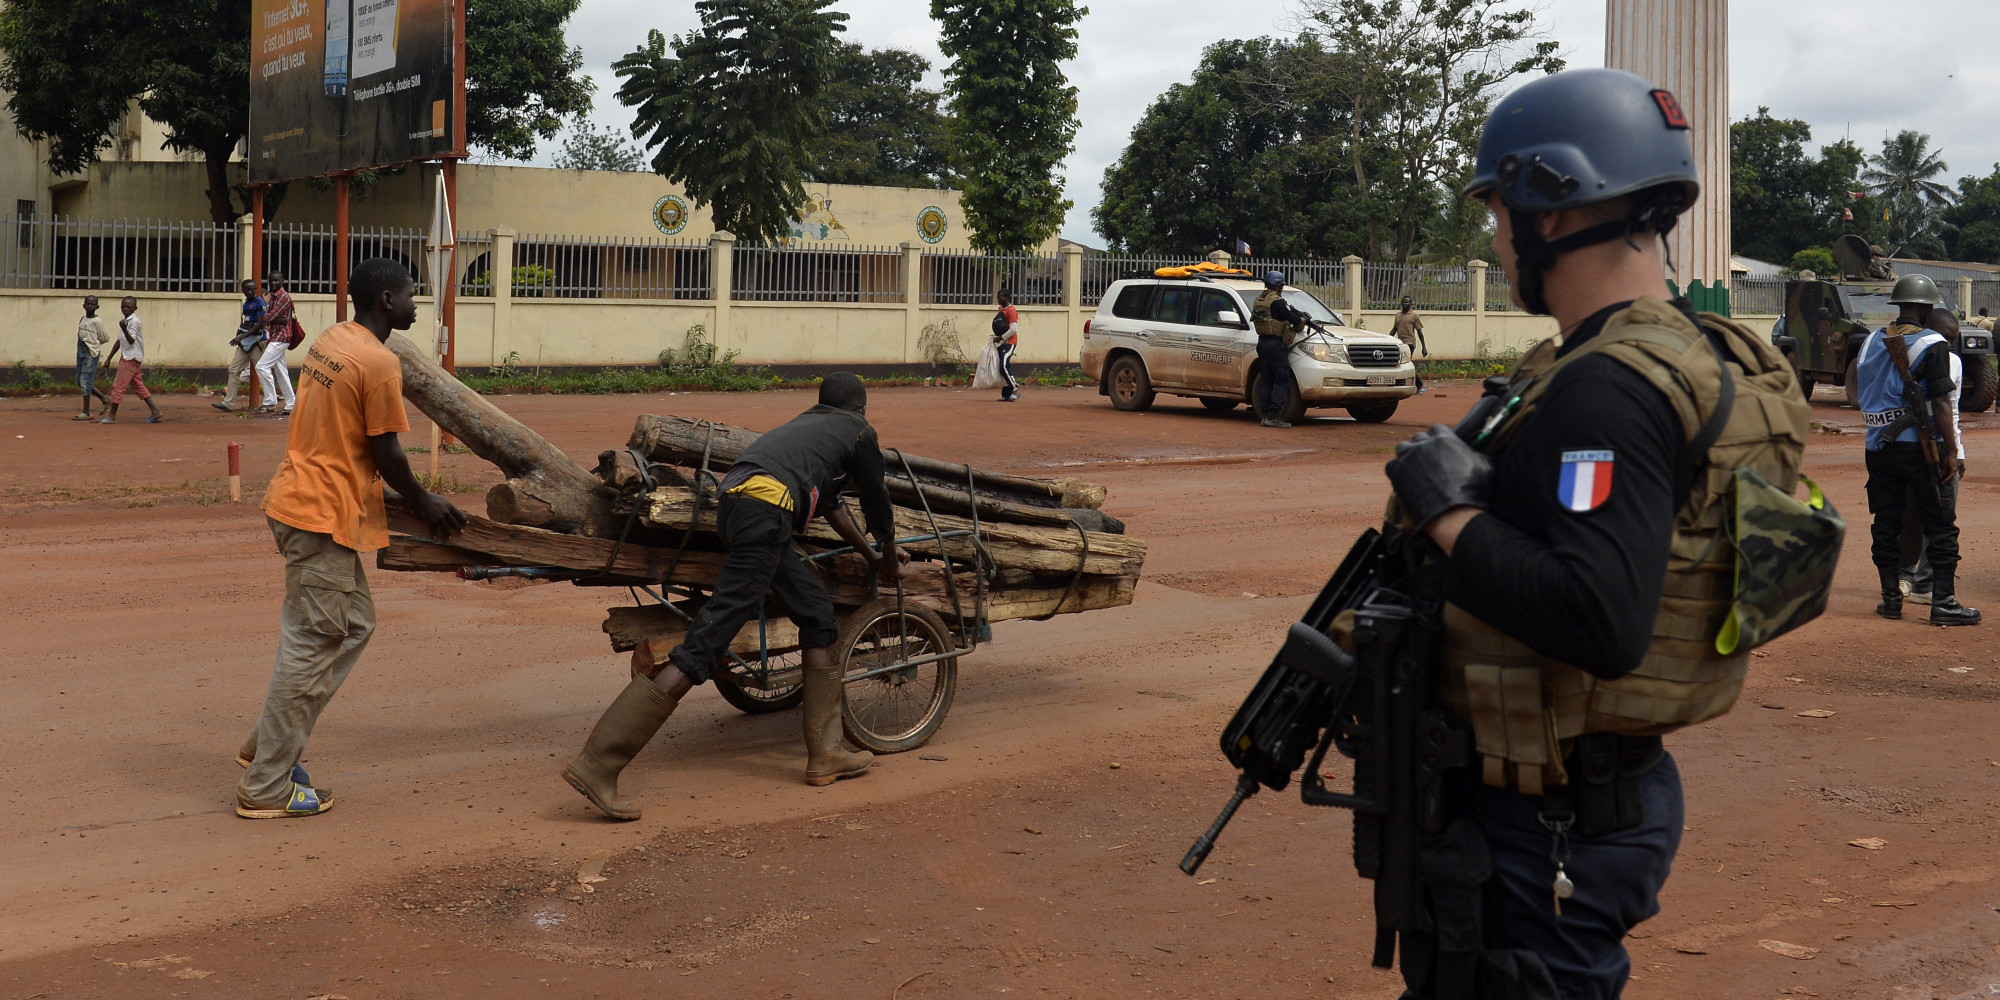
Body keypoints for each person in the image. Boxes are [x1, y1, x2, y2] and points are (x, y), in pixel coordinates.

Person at [1381, 67, 1811, 998]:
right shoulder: (1667, 352)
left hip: (1548, 826)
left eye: (1499, 208)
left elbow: (1599, 617)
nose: (1495, 236)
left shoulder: (1604, 389)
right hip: (1586, 796)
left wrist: (1447, 513)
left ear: (1551, 206)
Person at [563, 373, 910, 820]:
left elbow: (831, 505)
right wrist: (885, 547)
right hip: (766, 512)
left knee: (817, 614)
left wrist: (867, 554)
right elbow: (877, 497)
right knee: (706, 643)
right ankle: (599, 762)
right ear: (861, 409)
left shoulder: (804, 428)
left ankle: (826, 754)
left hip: (738, 508)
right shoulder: (858, 430)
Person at [234, 259, 466, 819]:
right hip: (317, 515)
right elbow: (388, 455)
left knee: (355, 624)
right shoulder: (380, 362)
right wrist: (424, 500)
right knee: (311, 644)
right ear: (387, 300)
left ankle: (263, 746)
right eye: (412, 297)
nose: (416, 306)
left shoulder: (336, 337)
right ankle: (265, 787)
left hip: (298, 501)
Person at [1857, 273, 1979, 626]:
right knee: (1940, 523)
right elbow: (1941, 402)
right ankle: (1943, 602)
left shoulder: (1869, 341)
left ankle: (1891, 599)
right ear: (1927, 310)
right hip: (1919, 448)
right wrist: (1952, 451)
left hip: (1878, 446)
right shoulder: (1932, 343)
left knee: (1886, 521)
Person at [1896, 311, 1966, 606]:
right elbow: (1939, 404)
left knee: (1937, 518)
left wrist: (1957, 451)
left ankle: (1917, 581)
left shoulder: (1954, 362)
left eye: (1952, 339)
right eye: (1944, 337)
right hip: (1919, 448)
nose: (1948, 344)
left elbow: (1952, 409)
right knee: (1923, 519)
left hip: (1937, 447)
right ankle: (1910, 580)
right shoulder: (1912, 355)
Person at [1250, 270, 1307, 428]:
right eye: (1281, 285)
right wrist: (1303, 319)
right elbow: (1294, 319)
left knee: (1267, 379)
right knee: (1283, 379)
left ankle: (1265, 415)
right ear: (1277, 285)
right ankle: (1274, 415)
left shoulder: (1259, 300)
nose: (1281, 288)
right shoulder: (1278, 302)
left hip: (1262, 343)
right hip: (1275, 344)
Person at [98, 296, 164, 425]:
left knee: (118, 385)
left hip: (131, 358)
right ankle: (155, 411)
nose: (125, 309)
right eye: (123, 306)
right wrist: (109, 358)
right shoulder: (125, 321)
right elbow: (119, 341)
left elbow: (131, 340)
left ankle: (112, 416)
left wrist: (123, 328)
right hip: (128, 356)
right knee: (137, 385)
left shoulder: (133, 321)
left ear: (135, 308)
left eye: (128, 307)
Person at [215, 279, 268, 413]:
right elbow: (245, 322)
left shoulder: (260, 303)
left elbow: (260, 325)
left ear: (256, 289)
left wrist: (241, 337)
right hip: (244, 342)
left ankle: (269, 401)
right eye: (247, 289)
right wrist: (239, 335)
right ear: (242, 291)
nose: (249, 292)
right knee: (234, 370)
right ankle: (228, 403)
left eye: (252, 289)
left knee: (262, 371)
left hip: (257, 341)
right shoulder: (246, 304)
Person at [258, 271, 301, 416]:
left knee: (262, 366)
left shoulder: (283, 297)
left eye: (276, 280)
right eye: (271, 280)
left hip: (281, 337)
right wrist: (273, 319)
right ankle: (291, 403)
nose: (273, 283)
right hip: (276, 336)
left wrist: (271, 319)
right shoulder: (273, 297)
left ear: (282, 281)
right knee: (281, 371)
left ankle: (270, 401)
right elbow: (270, 317)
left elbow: (268, 317)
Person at [73, 295, 113, 420]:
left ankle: (86, 411)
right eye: (88, 304)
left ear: (97, 307)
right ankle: (104, 399)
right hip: (81, 353)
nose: (90, 306)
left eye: (92, 304)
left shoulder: (97, 322)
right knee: (80, 381)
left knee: (85, 381)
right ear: (84, 305)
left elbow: (105, 338)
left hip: (91, 353)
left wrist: (94, 344)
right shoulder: (83, 319)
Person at [1393, 295, 1430, 394]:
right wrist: (1387, 339)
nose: (1405, 304)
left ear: (1411, 304)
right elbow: (1394, 329)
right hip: (1400, 343)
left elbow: (1419, 332)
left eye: (1407, 302)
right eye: (1403, 302)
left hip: (1410, 343)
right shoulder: (1398, 315)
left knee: (1407, 363)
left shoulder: (1414, 316)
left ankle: (1419, 384)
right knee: (1401, 364)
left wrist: (1424, 347)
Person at [993, 288, 1021, 402]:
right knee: (1005, 367)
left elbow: (1013, 329)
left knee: (1003, 366)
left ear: (1007, 297)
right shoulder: (1000, 309)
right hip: (1002, 342)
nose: (998, 299)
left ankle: (1014, 388)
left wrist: (1002, 337)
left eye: (1000, 297)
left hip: (1009, 343)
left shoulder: (1011, 311)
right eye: (998, 297)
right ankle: (1007, 393)